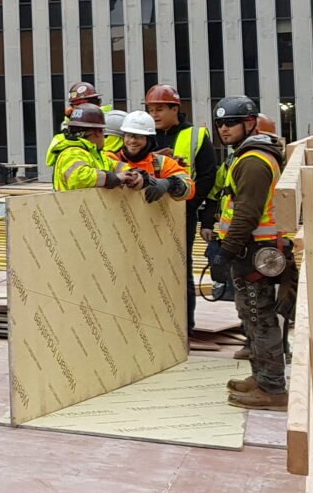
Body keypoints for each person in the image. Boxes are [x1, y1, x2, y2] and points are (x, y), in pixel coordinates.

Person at [212, 95, 293, 410]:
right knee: (251, 315)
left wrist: (226, 251)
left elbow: (247, 213)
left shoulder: (254, 160)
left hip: (255, 250)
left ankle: (272, 388)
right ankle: (261, 377)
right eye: (220, 123)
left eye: (230, 122)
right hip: (252, 250)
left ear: (249, 124)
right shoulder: (247, 155)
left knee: (260, 318)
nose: (224, 128)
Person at [145, 83, 216, 332]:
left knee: (179, 269)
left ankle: (185, 326)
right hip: (148, 213)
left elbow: (208, 176)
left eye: (160, 109)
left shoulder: (195, 135)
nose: (154, 115)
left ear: (175, 108)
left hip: (183, 213)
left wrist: (191, 202)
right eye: (151, 109)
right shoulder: (145, 135)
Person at [108, 111, 191, 205]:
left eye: (138, 137)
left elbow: (189, 187)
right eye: (129, 135)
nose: (132, 141)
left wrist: (169, 183)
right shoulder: (111, 159)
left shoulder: (161, 163)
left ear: (149, 140)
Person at [48, 103, 134, 192]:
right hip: (72, 205)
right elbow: (79, 178)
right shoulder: (71, 153)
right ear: (98, 132)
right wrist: (112, 178)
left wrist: (134, 173)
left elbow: (115, 166)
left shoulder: (94, 154)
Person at [45, 81, 107, 168]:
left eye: (77, 105)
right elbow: (50, 160)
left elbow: (50, 159)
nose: (73, 109)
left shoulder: (103, 121)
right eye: (73, 105)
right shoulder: (102, 119)